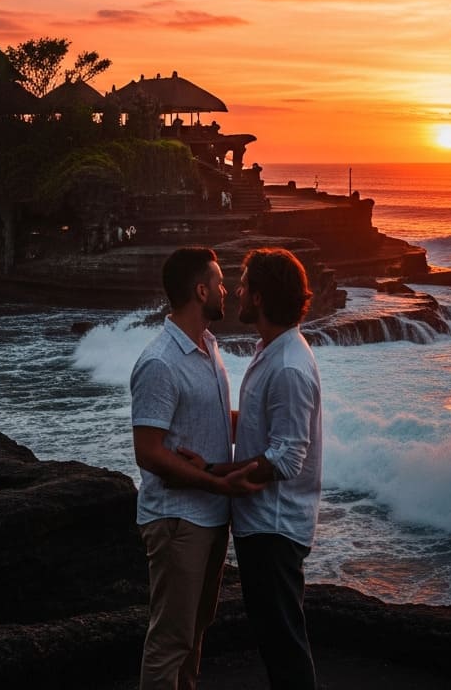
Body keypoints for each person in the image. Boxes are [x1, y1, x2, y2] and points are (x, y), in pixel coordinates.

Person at [130, 246, 259, 690]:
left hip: (207, 517)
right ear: (200, 290)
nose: (226, 290)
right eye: (220, 282)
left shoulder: (207, 345)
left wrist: (282, 426)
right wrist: (216, 483)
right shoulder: (160, 362)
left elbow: (213, 421)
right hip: (176, 520)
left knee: (196, 633)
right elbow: (148, 452)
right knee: (171, 640)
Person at [230, 247, 322, 690]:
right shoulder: (273, 351)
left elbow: (287, 457)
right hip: (265, 525)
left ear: (261, 298)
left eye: (245, 285)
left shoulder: (287, 365)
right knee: (276, 640)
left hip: (275, 527)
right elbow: (260, 427)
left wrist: (218, 479)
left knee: (283, 646)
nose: (237, 292)